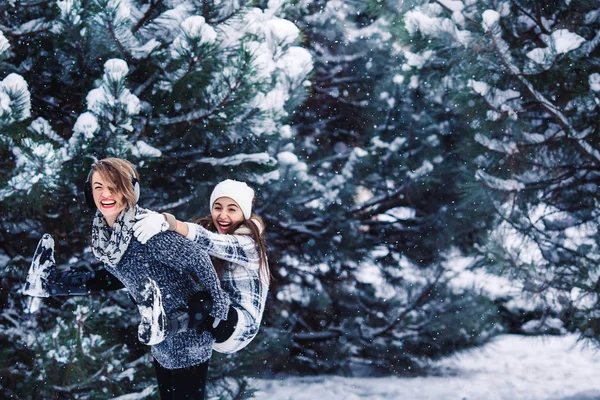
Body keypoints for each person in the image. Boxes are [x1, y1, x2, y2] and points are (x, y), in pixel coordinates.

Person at [23, 157, 232, 400]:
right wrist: (54, 284)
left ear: (130, 191)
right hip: (160, 337)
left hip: (190, 332)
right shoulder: (107, 236)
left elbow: (198, 258)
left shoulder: (147, 229)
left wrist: (218, 308)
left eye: (114, 186)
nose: (105, 194)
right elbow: (116, 277)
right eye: (98, 187)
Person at [132, 178, 270, 354]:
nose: (223, 215)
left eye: (232, 209)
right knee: (173, 278)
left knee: (205, 300)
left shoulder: (250, 243)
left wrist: (169, 222)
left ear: (244, 214)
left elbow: (213, 242)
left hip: (239, 326)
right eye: (218, 207)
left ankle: (165, 327)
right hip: (216, 316)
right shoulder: (209, 228)